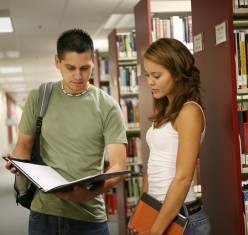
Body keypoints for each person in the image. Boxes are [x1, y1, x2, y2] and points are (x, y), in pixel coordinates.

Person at [5, 28, 127, 235]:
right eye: (70, 68)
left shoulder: (108, 106)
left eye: (85, 68)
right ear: (57, 62)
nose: (78, 76)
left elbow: (118, 165)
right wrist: (18, 163)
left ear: (93, 61)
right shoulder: (39, 97)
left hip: (89, 216)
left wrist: (89, 194)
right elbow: (23, 146)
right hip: (43, 214)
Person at [129, 38, 210, 235]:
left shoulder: (189, 111)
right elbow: (153, 166)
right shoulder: (166, 110)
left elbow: (183, 178)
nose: (150, 82)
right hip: (155, 211)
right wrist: (141, 212)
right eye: (147, 75)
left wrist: (156, 230)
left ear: (178, 74)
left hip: (181, 219)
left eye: (156, 75)